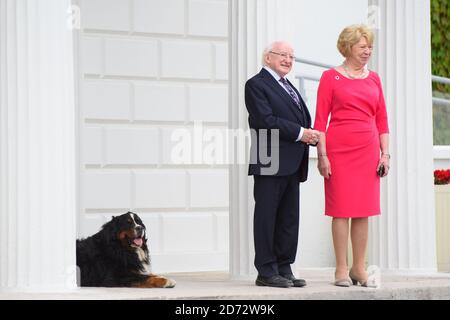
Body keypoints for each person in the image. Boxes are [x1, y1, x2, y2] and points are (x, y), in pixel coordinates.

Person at [313, 24, 390, 287]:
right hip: (338, 150)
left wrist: (385, 154)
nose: (368, 51)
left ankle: (359, 268)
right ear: (347, 48)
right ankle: (341, 270)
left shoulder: (374, 78)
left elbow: (382, 119)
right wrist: (322, 156)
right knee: (340, 210)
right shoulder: (329, 77)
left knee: (363, 211)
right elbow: (320, 121)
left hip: (368, 152)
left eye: (370, 47)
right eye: (362, 47)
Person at [245, 41, 320, 288]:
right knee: (267, 216)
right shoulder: (256, 85)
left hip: (292, 160)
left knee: (288, 218)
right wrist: (301, 133)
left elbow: (298, 115)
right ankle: (266, 271)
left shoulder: (287, 85)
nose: (288, 59)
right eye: (283, 55)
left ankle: (284, 267)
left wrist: (307, 132)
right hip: (270, 159)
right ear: (268, 58)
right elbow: (265, 120)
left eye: (291, 56)